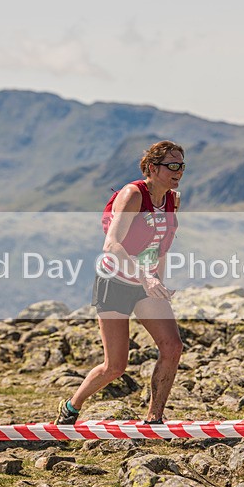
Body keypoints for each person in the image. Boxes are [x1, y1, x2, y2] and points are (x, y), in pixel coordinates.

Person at [55, 140, 185, 425]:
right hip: (113, 281)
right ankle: (72, 406)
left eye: (181, 165)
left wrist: (157, 283)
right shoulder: (133, 195)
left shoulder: (173, 200)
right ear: (152, 168)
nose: (178, 171)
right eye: (172, 165)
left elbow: (162, 246)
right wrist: (146, 276)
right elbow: (111, 244)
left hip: (145, 283)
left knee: (172, 347)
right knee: (115, 366)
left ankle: (154, 419)